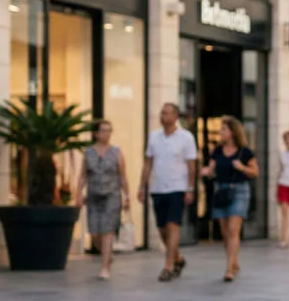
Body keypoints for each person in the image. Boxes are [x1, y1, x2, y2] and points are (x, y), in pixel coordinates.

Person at [139, 103, 198, 282]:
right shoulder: (154, 137)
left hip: (177, 188)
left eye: (165, 113)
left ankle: (169, 266)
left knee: (173, 225)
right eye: (161, 112)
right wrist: (142, 186)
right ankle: (178, 258)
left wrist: (190, 188)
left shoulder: (186, 137)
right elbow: (148, 162)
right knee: (162, 229)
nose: (162, 116)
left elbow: (191, 166)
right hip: (158, 188)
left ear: (175, 116)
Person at [202, 116, 258, 281]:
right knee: (225, 233)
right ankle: (234, 261)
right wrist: (207, 171)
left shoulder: (245, 151)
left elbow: (255, 172)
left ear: (233, 132)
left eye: (223, 129)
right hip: (221, 190)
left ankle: (229, 270)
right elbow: (212, 169)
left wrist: (242, 167)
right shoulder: (217, 150)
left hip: (239, 191)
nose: (221, 132)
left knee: (233, 230)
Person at [75, 120, 130, 280]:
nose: (107, 134)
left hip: (112, 196)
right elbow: (83, 176)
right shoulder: (88, 153)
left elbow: (123, 176)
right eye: (104, 131)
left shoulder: (117, 152)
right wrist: (78, 194)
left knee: (107, 230)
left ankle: (105, 267)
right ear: (96, 133)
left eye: (109, 131)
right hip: (93, 196)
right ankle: (107, 255)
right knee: (94, 231)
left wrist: (127, 197)